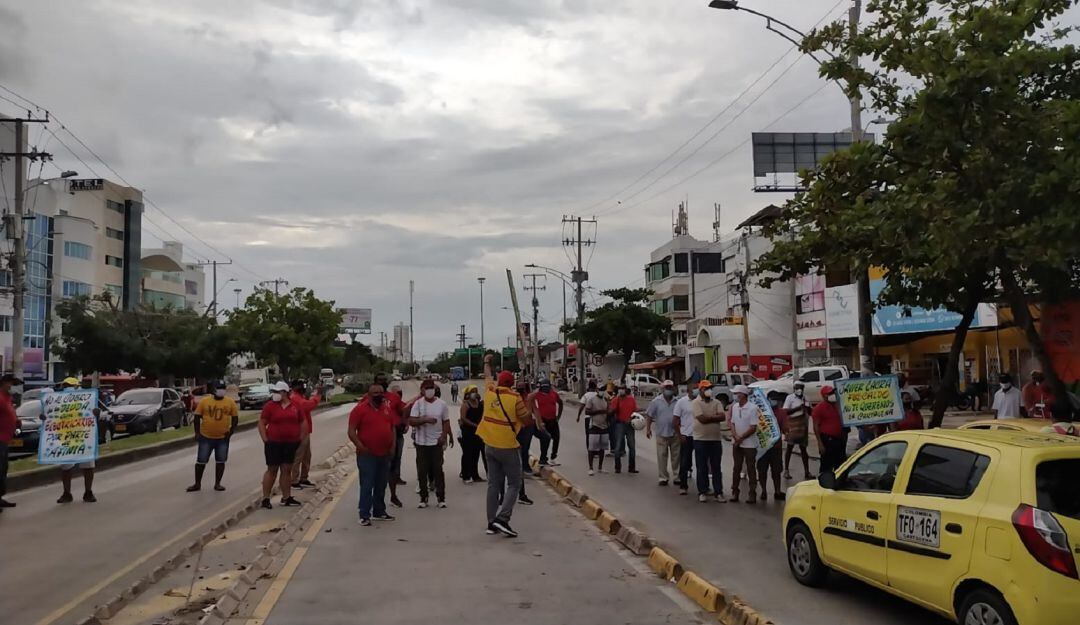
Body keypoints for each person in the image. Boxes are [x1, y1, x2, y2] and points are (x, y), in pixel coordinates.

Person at [475, 355, 529, 537]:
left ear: (500, 382)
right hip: (507, 445)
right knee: (514, 483)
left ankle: (491, 523)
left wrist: (486, 362)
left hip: (489, 444)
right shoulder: (515, 398)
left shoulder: (491, 391)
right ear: (512, 383)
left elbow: (487, 376)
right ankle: (502, 518)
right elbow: (526, 419)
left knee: (493, 484)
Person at [348, 383, 396, 526]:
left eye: (381, 392)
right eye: (375, 393)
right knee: (367, 485)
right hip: (367, 455)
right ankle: (364, 514)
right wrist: (361, 447)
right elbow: (351, 432)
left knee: (381, 484)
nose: (378, 395)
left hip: (384, 453)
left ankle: (379, 511)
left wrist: (393, 446)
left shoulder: (387, 408)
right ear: (368, 395)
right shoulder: (359, 410)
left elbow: (392, 427)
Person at [258, 381, 306, 509]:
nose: (275, 394)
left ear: (285, 393)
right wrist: (265, 440)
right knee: (272, 470)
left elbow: (302, 422)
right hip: (273, 443)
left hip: (290, 443)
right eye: (275, 392)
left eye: (278, 392)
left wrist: (300, 438)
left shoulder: (296, 406)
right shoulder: (270, 406)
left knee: (286, 469)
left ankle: (286, 497)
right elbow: (262, 423)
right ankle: (266, 498)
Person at [186, 379, 239, 492]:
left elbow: (235, 418)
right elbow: (196, 417)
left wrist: (231, 432)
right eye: (219, 388)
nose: (221, 391)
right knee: (201, 461)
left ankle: (218, 483)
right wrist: (197, 433)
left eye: (223, 388)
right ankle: (197, 483)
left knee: (220, 461)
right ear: (213, 390)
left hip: (222, 438)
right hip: (206, 437)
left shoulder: (230, 402)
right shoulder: (205, 402)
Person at [409, 379, 452, 508]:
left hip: (436, 443)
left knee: (438, 470)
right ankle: (423, 497)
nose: (429, 390)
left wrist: (444, 436)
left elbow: (446, 421)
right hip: (421, 443)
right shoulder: (418, 404)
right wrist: (424, 420)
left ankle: (441, 498)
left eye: (431, 388)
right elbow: (411, 421)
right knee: (422, 471)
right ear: (422, 390)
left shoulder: (442, 404)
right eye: (427, 388)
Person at [57, 377, 99, 504]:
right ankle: (66, 493)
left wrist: (96, 413)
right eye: (65, 386)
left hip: (84, 436)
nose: (67, 388)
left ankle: (88, 492)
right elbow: (50, 416)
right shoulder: (58, 401)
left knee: (88, 466)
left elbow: (94, 413)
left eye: (69, 385)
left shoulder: (87, 399)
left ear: (77, 387)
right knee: (66, 467)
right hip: (67, 437)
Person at [691, 380, 726, 502]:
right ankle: (702, 491)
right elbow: (702, 419)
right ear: (701, 390)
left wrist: (710, 417)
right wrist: (713, 417)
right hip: (700, 439)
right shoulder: (696, 403)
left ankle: (718, 492)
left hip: (715, 439)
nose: (708, 391)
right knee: (701, 467)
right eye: (706, 389)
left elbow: (722, 416)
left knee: (716, 467)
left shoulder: (717, 402)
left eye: (710, 388)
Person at [728, 385, 760, 504]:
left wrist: (741, 437)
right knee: (736, 468)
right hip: (737, 442)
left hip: (749, 444)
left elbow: (753, 427)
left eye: (737, 393)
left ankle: (752, 493)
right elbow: (732, 423)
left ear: (743, 395)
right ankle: (735, 492)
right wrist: (735, 436)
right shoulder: (735, 407)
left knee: (751, 468)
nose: (735, 395)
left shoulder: (752, 408)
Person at [645, 380, 680, 486]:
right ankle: (663, 477)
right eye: (666, 388)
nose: (668, 390)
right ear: (662, 389)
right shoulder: (656, 401)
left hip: (675, 432)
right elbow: (649, 415)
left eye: (670, 387)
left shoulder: (677, 401)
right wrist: (648, 429)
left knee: (677, 456)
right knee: (661, 456)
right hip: (661, 432)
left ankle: (677, 476)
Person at [289, 380, 320, 489]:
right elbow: (308, 406)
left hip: (305, 430)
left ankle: (303, 477)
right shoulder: (295, 398)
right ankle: (294, 479)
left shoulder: (298, 397)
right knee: (299, 456)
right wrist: (317, 397)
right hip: (300, 431)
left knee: (306, 456)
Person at [757, 392, 787, 501]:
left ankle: (777, 491)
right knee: (762, 470)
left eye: (776, 399)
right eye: (772, 399)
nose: (775, 401)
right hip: (763, 447)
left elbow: (785, 428)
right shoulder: (761, 412)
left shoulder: (782, 413)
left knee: (776, 470)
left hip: (776, 447)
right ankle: (763, 491)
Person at [812, 385, 846, 474]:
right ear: (823, 396)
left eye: (832, 393)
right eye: (829, 394)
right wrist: (820, 443)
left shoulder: (839, 405)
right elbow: (815, 427)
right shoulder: (819, 408)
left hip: (840, 439)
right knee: (826, 465)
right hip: (827, 440)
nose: (832, 395)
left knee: (840, 465)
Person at [578, 380, 609, 475]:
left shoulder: (606, 399)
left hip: (604, 426)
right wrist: (598, 411)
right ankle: (591, 467)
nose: (602, 391)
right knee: (592, 447)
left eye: (603, 389)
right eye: (600, 389)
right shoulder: (592, 399)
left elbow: (608, 411)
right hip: (594, 426)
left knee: (602, 448)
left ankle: (600, 467)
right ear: (597, 390)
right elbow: (587, 411)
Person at [782, 383, 812, 480]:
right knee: (789, 448)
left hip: (803, 426)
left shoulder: (806, 398)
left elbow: (810, 412)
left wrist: (807, 408)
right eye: (797, 388)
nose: (799, 390)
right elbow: (786, 411)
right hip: (793, 426)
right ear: (794, 389)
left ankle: (807, 472)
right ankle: (786, 470)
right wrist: (798, 408)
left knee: (803, 449)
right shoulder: (790, 398)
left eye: (801, 388)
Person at [672, 385, 697, 495]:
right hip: (686, 435)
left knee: (702, 463)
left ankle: (704, 487)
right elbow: (675, 420)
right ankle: (683, 485)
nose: (695, 392)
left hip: (699, 436)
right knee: (684, 461)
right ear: (688, 391)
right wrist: (680, 434)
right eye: (693, 390)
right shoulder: (681, 402)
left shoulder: (701, 401)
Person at [458, 384, 486, 483]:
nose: (475, 393)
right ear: (468, 394)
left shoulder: (479, 403)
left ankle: (475, 475)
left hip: (478, 432)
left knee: (476, 454)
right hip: (468, 432)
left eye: (476, 391)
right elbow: (463, 418)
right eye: (473, 391)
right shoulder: (466, 405)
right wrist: (474, 425)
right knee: (467, 454)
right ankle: (466, 475)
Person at [0, 373, 20, 510]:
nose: (12, 387)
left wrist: (16, 421)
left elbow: (10, 413)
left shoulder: (8, 398)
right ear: (4, 383)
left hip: (6, 439)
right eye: (11, 384)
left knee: (3, 469)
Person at [532, 379, 563, 466]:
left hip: (553, 420)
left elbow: (560, 403)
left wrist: (558, 416)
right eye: (544, 387)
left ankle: (553, 457)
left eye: (547, 387)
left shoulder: (553, 394)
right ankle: (543, 458)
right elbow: (532, 406)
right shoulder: (536, 395)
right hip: (542, 420)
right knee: (545, 439)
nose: (546, 389)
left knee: (556, 438)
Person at [609, 385, 638, 474]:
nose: (621, 390)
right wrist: (615, 407)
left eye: (623, 389)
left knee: (632, 447)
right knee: (618, 447)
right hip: (619, 424)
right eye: (620, 389)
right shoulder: (615, 400)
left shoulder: (631, 399)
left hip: (630, 425)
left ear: (626, 390)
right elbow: (610, 412)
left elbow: (635, 411)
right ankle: (618, 467)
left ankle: (631, 467)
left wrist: (632, 419)